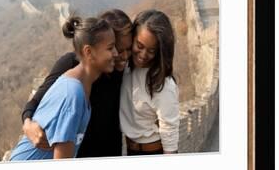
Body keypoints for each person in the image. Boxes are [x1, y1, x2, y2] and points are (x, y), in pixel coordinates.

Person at [20, 9, 133, 157]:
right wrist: (28, 124)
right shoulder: (72, 73)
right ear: (91, 50)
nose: (122, 55)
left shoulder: (122, 71)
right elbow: (37, 101)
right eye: (114, 47)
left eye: (129, 49)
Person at [119, 9, 180, 155]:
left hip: (153, 152)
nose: (143, 55)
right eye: (139, 46)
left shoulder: (163, 84)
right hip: (129, 149)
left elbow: (169, 129)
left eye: (152, 51)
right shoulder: (125, 67)